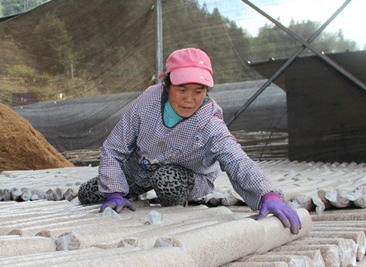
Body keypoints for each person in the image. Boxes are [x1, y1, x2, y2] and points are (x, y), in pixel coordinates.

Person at [78, 47, 301, 234]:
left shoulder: (209, 122)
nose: (189, 99)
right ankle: (128, 192)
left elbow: (236, 158)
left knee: (167, 179)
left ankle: (174, 210)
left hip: (185, 175)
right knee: (87, 194)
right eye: (182, 89)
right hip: (141, 168)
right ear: (167, 85)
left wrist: (268, 194)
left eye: (198, 91)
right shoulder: (147, 103)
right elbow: (114, 147)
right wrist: (115, 192)